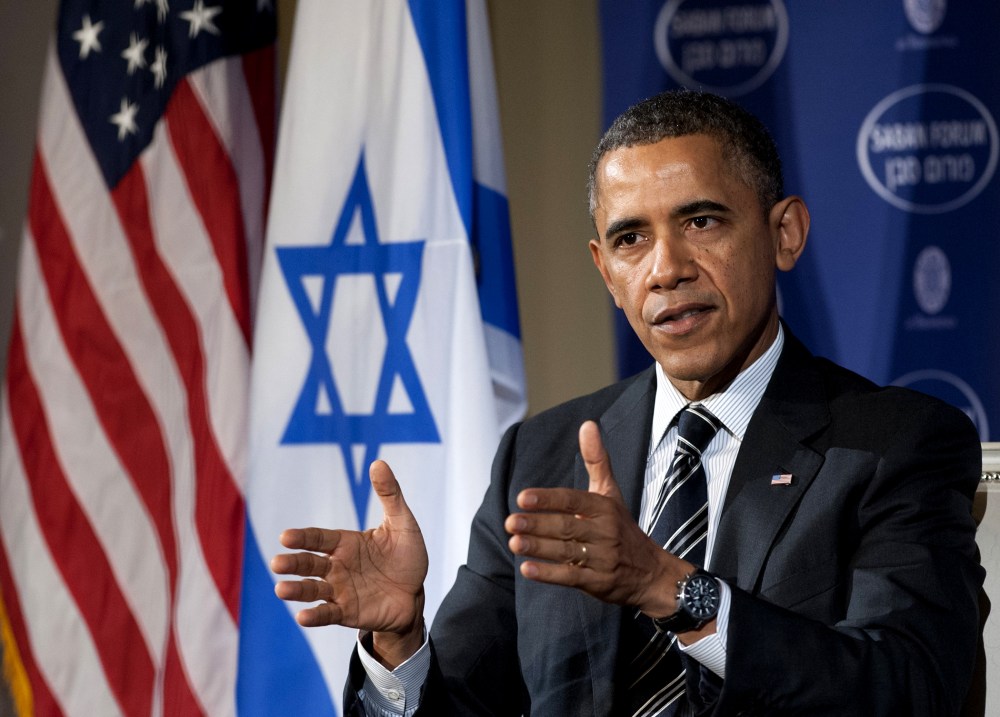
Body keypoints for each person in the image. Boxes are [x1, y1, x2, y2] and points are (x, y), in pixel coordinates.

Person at [270, 90, 985, 716]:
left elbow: (911, 687)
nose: (666, 268)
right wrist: (400, 642)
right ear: (606, 272)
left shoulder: (895, 443)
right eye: (631, 238)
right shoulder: (541, 455)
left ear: (783, 233)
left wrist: (670, 586)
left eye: (702, 221)